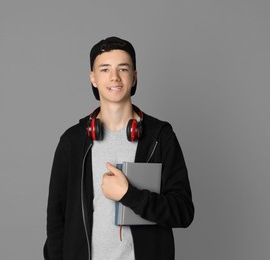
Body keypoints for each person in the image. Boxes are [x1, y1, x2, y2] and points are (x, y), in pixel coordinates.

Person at [44, 36, 194, 260]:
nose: (114, 77)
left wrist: (129, 195)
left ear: (134, 77)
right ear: (93, 78)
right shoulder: (72, 142)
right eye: (104, 69)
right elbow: (56, 224)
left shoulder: (160, 137)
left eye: (122, 69)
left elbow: (183, 212)